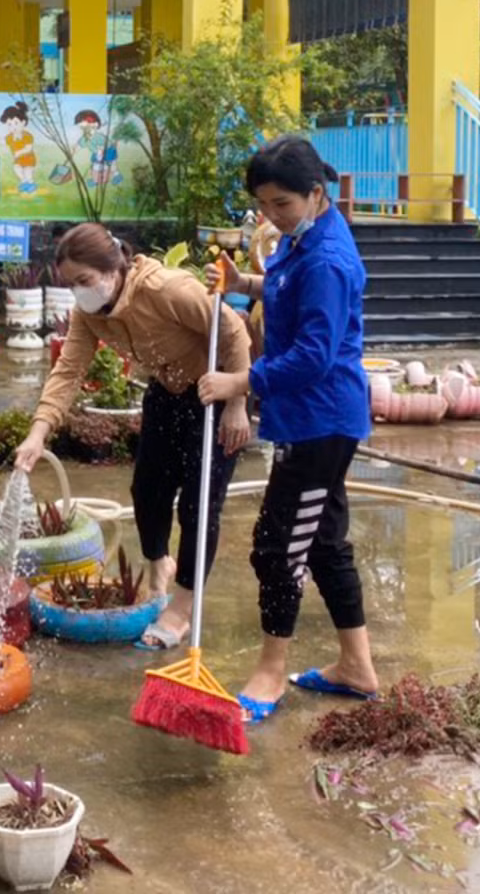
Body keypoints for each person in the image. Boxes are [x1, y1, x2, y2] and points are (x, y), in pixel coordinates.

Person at [198, 136, 380, 722]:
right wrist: (242, 283)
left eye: (280, 204)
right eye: (262, 205)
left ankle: (270, 673)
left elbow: (313, 355)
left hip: (319, 420)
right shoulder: (306, 240)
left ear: (315, 194)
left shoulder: (327, 260)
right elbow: (284, 291)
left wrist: (240, 382)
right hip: (314, 419)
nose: (269, 216)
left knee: (278, 549)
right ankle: (356, 667)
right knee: (324, 543)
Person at [13, 224, 251, 649]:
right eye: (71, 285)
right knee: (147, 491)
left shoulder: (167, 289)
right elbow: (68, 372)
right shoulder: (89, 312)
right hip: (167, 392)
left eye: (84, 281)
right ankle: (160, 565)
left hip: (215, 393)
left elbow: (233, 331)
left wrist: (236, 403)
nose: (79, 293)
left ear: (113, 267)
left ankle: (181, 608)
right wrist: (38, 435)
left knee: (199, 504)